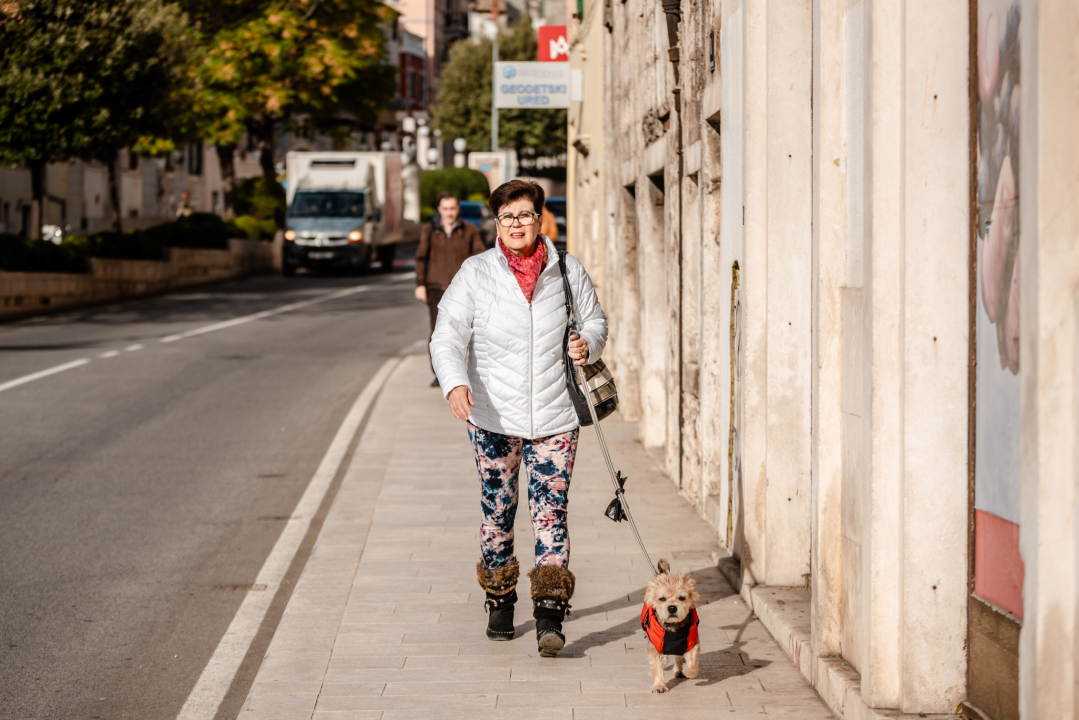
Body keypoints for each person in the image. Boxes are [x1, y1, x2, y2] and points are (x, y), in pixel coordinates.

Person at [429, 179, 608, 657]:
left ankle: (550, 614)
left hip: (555, 416)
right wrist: (454, 382)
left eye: (525, 214)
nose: (516, 224)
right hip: (492, 419)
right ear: (496, 222)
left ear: (540, 219)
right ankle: (500, 598)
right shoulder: (476, 272)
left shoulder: (567, 269)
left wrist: (587, 343)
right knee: (498, 513)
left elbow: (596, 321)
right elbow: (447, 335)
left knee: (551, 514)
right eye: (507, 216)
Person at [415, 193, 486, 385]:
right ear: (439, 209)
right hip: (436, 288)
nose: (449, 213)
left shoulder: (470, 230)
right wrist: (420, 284)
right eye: (445, 209)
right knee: (439, 332)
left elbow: (480, 258)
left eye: (452, 208)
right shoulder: (430, 230)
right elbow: (421, 258)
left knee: (467, 333)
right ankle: (440, 374)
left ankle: (465, 374)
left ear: (458, 209)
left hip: (463, 290)